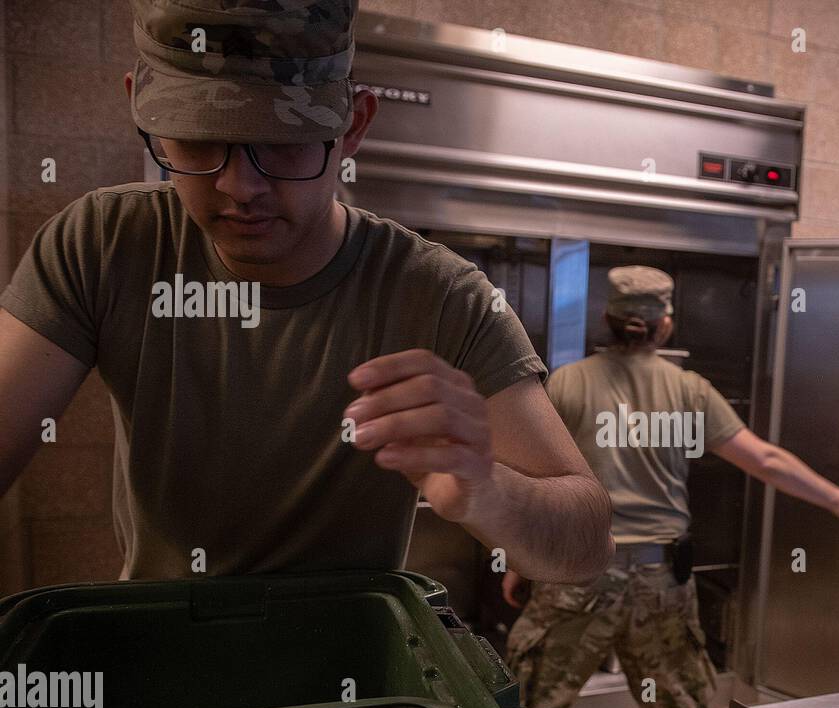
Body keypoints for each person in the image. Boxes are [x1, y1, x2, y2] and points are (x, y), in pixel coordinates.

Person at [0, 0, 612, 585]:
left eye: (282, 142)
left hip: (351, 671)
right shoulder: (106, 244)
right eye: (200, 140)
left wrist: (488, 488)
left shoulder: (440, 297)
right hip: (165, 646)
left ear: (354, 126)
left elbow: (586, 545)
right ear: (142, 110)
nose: (240, 187)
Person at [503, 266, 839, 708]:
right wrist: (838, 498)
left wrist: (520, 559)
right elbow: (766, 460)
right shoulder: (690, 390)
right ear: (666, 325)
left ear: (608, 319)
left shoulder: (567, 383)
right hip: (663, 585)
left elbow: (535, 479)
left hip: (579, 575)